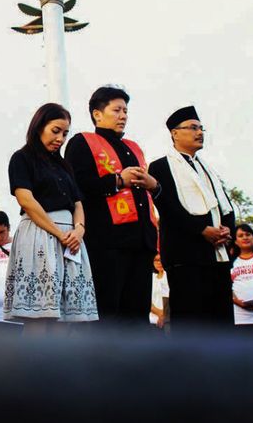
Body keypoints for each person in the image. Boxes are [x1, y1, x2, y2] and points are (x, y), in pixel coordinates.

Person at [64, 86, 158, 326]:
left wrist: (152, 184)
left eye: (126, 110)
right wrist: (117, 180)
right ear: (97, 114)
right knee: (107, 313)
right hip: (107, 243)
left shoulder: (133, 147)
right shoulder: (82, 142)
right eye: (116, 110)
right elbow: (76, 187)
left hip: (141, 242)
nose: (123, 115)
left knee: (137, 315)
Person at [4, 103, 98, 334]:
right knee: (39, 314)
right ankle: (32, 368)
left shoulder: (63, 165)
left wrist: (79, 231)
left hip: (70, 239)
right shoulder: (22, 158)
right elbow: (26, 200)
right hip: (40, 234)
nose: (60, 138)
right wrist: (59, 233)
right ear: (39, 127)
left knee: (65, 315)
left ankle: (58, 367)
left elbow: (77, 203)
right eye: (56, 130)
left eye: (65, 133)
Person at [148, 106, 235, 329]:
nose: (199, 133)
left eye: (200, 128)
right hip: (185, 254)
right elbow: (167, 206)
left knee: (220, 321)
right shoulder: (161, 166)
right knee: (192, 321)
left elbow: (224, 204)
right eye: (193, 128)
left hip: (216, 254)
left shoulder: (207, 168)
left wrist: (227, 230)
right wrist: (201, 229)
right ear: (175, 133)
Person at [149, 254, 170, 331]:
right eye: (156, 260)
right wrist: (159, 314)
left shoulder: (168, 276)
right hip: (153, 318)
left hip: (168, 317)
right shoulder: (151, 277)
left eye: (161, 260)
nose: (159, 262)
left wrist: (164, 315)